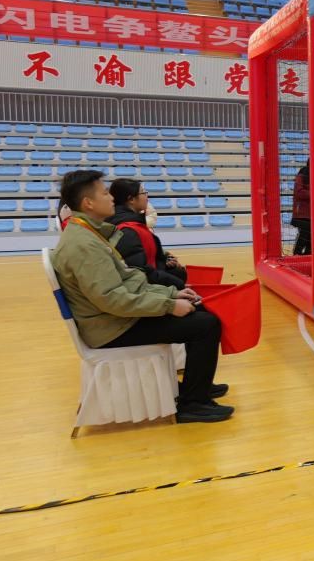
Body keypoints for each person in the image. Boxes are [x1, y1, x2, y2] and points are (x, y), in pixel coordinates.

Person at [51, 170, 232, 423]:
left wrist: (171, 293)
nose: (111, 198)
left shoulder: (88, 234)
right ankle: (193, 403)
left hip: (112, 319)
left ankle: (196, 388)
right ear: (88, 203)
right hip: (111, 328)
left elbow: (129, 281)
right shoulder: (84, 244)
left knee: (200, 310)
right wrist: (169, 305)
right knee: (206, 325)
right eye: (105, 193)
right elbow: (113, 299)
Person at [107, 178, 188, 289]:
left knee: (178, 273)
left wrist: (164, 260)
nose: (146, 197)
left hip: (146, 276)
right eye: (143, 193)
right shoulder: (127, 230)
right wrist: (178, 286)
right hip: (140, 284)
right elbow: (139, 271)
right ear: (131, 199)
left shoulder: (130, 221)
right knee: (179, 282)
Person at [291, 160, 311, 256]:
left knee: (311, 237)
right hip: (302, 213)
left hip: (311, 213)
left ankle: (308, 255)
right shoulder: (302, 175)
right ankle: (297, 255)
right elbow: (299, 193)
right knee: (304, 235)